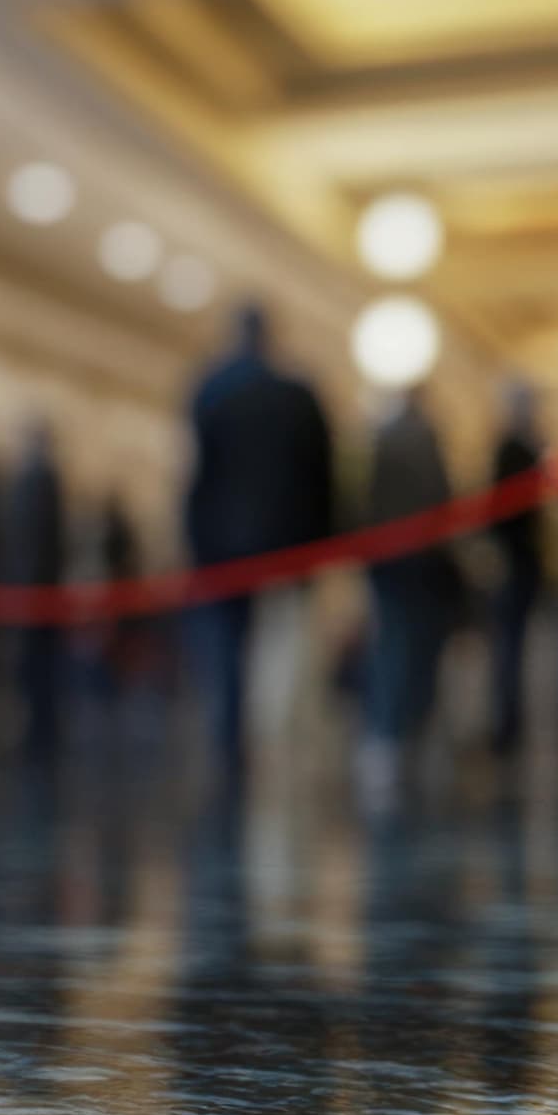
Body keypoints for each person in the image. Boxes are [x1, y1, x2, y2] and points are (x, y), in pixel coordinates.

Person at [180, 301, 333, 782]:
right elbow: (321, 477)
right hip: (290, 544)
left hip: (224, 548)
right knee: (284, 647)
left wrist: (194, 544)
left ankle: (232, 743)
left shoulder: (210, 389)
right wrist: (323, 540)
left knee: (229, 648)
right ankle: (280, 738)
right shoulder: (298, 395)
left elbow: (196, 476)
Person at [359, 384, 460, 800]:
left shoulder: (383, 438)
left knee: (392, 646)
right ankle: (411, 729)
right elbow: (442, 499)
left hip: (389, 564)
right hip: (420, 565)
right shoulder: (425, 438)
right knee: (415, 650)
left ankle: (387, 736)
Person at [0, 417, 69, 760]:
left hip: (33, 593)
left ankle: (39, 735)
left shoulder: (38, 479)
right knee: (32, 667)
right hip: (32, 590)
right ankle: (38, 732)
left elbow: (32, 544)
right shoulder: (39, 478)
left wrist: (21, 591)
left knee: (36, 666)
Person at [482, 377, 547, 756]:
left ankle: (510, 720)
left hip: (522, 562)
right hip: (515, 562)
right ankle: (506, 721)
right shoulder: (513, 450)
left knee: (513, 644)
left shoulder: (522, 448)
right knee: (508, 645)